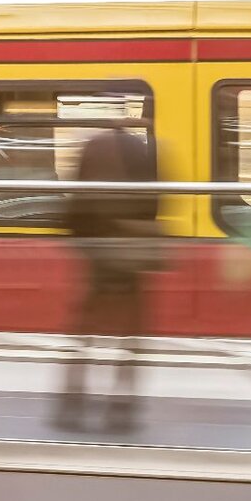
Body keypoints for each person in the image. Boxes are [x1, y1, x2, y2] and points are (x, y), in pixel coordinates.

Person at [54, 127, 164, 434]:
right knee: (131, 334)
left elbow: (76, 204)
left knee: (84, 332)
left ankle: (71, 403)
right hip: (133, 252)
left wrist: (81, 240)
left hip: (99, 253)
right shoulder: (143, 150)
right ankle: (123, 407)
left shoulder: (93, 146)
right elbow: (156, 203)